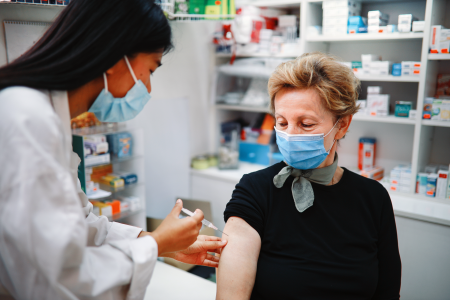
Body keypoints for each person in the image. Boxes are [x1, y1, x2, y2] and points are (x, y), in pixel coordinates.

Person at [0, 0, 227, 299]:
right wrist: (155, 244)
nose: (147, 87)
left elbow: (80, 226)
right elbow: (56, 281)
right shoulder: (27, 118)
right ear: (114, 57)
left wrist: (157, 240)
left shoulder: (48, 117)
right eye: (150, 70)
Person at [216, 52, 402, 300]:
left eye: (306, 124)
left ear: (343, 125)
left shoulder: (372, 198)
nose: (291, 135)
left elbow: (387, 293)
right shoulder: (255, 191)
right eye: (282, 123)